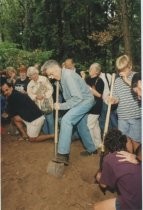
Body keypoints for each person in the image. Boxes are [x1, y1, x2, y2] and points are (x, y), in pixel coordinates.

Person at [41, 59, 97, 165]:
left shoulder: (68, 76)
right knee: (81, 126)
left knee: (66, 120)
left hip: (85, 101)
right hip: (81, 101)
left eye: (50, 74)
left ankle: (63, 155)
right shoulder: (61, 78)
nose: (50, 77)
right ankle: (92, 149)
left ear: (54, 68)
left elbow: (77, 98)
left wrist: (61, 106)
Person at [94, 129, 142, 210]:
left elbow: (103, 185)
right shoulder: (134, 156)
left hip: (134, 202)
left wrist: (100, 176)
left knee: (96, 207)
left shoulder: (109, 159)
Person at [110, 54, 141, 153]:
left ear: (130, 66)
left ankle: (138, 161)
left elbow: (140, 92)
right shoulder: (117, 81)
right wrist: (113, 100)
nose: (121, 73)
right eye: (119, 70)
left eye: (124, 69)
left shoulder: (137, 76)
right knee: (125, 139)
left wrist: (127, 81)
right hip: (122, 117)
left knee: (136, 140)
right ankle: (129, 160)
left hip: (135, 116)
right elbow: (116, 97)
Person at [27, 66, 55, 135]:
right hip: (37, 105)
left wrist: (44, 95)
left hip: (47, 103)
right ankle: (46, 135)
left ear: (37, 73)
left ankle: (52, 135)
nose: (33, 76)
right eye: (31, 75)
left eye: (34, 74)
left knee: (50, 120)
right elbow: (29, 94)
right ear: (29, 76)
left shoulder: (44, 79)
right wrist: (36, 97)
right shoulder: (30, 84)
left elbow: (50, 89)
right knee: (43, 121)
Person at [85, 63, 104, 148]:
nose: (89, 70)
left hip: (96, 106)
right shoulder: (87, 79)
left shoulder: (100, 81)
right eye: (89, 68)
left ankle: (92, 146)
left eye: (91, 68)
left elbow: (99, 95)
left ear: (96, 71)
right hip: (88, 105)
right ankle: (99, 143)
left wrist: (89, 88)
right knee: (95, 125)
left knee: (89, 126)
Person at [99, 68, 118, 135]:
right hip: (103, 101)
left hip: (110, 100)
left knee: (112, 118)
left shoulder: (107, 75)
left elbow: (113, 86)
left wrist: (111, 95)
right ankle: (108, 136)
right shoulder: (96, 77)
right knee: (105, 119)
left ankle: (116, 135)